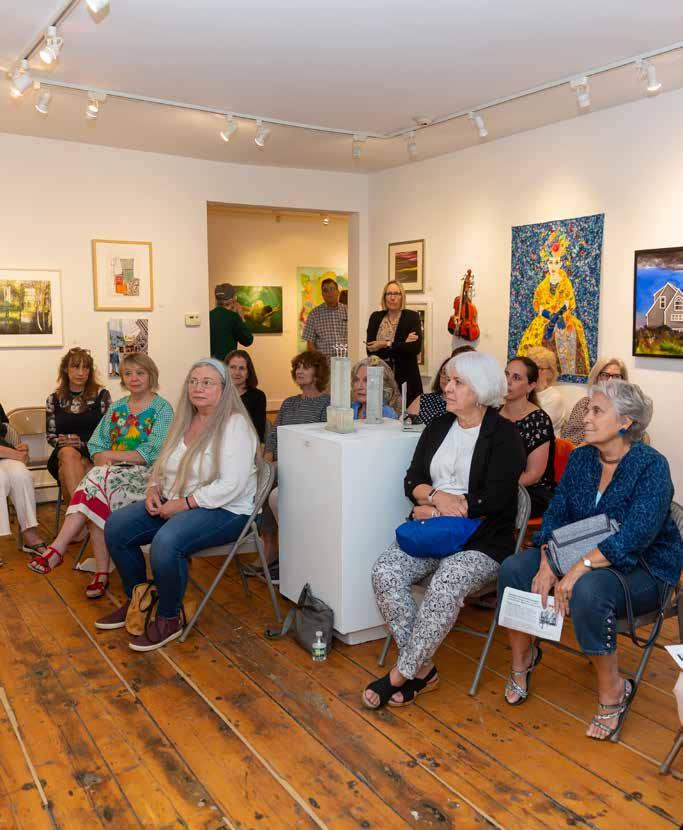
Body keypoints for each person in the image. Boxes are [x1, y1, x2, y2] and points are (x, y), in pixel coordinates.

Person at [497, 381, 682, 740]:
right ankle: (523, 660)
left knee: (589, 591)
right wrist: (548, 560)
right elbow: (556, 514)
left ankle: (613, 690)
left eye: (597, 411)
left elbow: (635, 537)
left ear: (625, 422)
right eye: (588, 409)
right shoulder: (582, 459)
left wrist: (578, 568)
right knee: (514, 569)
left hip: (645, 567)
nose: (586, 418)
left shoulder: (651, 466)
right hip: (576, 552)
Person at [363, 351, 525, 709]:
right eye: (448, 380)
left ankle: (400, 675)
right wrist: (437, 498)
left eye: (457, 382)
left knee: (447, 581)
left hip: (481, 542)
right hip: (432, 533)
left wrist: (434, 508)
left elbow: (496, 500)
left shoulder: (504, 435)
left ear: (479, 390)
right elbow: (412, 481)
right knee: (385, 572)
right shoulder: (438, 426)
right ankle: (424, 670)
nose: (447, 388)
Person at [98, 358, 258, 651]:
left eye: (207, 382)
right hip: (178, 499)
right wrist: (153, 487)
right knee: (117, 527)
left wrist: (183, 504)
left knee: (167, 541)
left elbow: (231, 485)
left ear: (224, 389)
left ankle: (169, 617)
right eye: (193, 381)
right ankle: (139, 602)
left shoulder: (234, 425)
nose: (198, 388)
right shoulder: (185, 419)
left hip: (227, 509)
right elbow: (162, 463)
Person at [27, 354, 173, 599]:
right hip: (114, 474)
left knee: (96, 486)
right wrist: (102, 458)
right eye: (128, 374)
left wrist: (111, 456)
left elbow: (152, 451)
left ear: (151, 375)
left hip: (148, 478)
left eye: (140, 373)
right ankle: (93, 568)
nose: (134, 378)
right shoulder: (118, 407)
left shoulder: (162, 409)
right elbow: (96, 443)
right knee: (98, 484)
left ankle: (65, 553)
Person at [259, 350, 331, 580]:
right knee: (265, 479)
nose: (299, 371)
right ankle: (272, 548)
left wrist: (279, 465)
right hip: (281, 466)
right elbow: (274, 435)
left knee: (269, 484)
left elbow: (319, 443)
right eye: (297, 367)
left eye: (306, 366)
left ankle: (278, 552)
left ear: (318, 372)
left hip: (306, 469)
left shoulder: (326, 404)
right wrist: (268, 459)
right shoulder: (289, 403)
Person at [517, 229, 590, 378]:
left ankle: (567, 370)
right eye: (550, 262)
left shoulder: (566, 282)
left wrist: (557, 316)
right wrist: (550, 316)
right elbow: (538, 305)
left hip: (562, 316)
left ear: (561, 264)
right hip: (545, 318)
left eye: (556, 262)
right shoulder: (543, 285)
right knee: (535, 337)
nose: (553, 266)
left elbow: (567, 303)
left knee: (570, 331)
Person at [46, 347, 112, 503]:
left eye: (85, 367)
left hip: (93, 451)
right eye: (75, 367)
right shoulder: (53, 399)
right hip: (63, 452)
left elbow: (110, 433)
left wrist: (82, 443)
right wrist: (63, 441)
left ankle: (76, 514)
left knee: (67, 472)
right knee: (68, 452)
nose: (81, 373)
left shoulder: (102, 396)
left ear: (90, 371)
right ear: (65, 369)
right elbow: (50, 436)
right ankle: (85, 514)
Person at [499, 357, 555, 518]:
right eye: (506, 374)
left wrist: (496, 489)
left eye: (516, 378)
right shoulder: (492, 414)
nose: (508, 381)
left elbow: (534, 475)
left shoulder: (539, 420)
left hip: (530, 492)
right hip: (495, 486)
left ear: (531, 386)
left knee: (486, 505)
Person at [0, 401, 48, 555]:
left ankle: (30, 536)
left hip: (4, 456)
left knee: (22, 474)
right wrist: (13, 453)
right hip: (5, 454)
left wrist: (19, 447)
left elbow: (5, 429)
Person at [366, 281, 423, 404]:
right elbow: (370, 349)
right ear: (384, 297)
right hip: (380, 378)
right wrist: (403, 344)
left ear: (402, 296)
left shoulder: (412, 317)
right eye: (389, 294)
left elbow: (415, 348)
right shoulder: (375, 317)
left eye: (396, 294)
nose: (392, 298)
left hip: (407, 379)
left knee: (408, 413)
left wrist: (385, 344)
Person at [561, 358, 628, 445]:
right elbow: (567, 434)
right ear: (596, 378)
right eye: (605, 375)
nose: (610, 381)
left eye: (616, 377)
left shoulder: (626, 409)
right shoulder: (584, 403)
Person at [225, 349, 267, 442]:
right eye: (232, 367)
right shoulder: (217, 393)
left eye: (242, 368)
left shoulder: (258, 396)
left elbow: (258, 431)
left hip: (246, 443)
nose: (237, 372)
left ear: (248, 373)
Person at [302, 277, 348, 356]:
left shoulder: (348, 311)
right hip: (325, 362)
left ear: (338, 292)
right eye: (325, 290)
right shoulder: (314, 315)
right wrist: (319, 361)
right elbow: (310, 344)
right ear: (322, 294)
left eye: (332, 289)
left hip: (347, 361)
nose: (329, 293)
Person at [526, 345, 566, 435]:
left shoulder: (554, 397)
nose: (532, 372)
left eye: (538, 368)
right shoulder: (524, 391)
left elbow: (538, 427)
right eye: (530, 367)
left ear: (550, 372)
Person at [209, 283, 254, 361]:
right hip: (227, 363)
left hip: (211, 364)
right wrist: (241, 317)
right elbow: (248, 340)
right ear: (233, 298)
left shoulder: (209, 316)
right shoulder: (233, 317)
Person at [406, 356, 449, 425]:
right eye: (444, 373)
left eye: (453, 375)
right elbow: (405, 423)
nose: (447, 378)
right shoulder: (424, 399)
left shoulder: (463, 406)